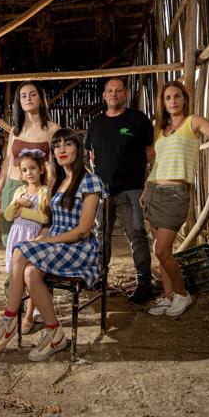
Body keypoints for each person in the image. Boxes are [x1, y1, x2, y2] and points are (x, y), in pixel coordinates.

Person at [0, 128, 106, 362]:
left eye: (68, 144)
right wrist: (37, 241)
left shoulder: (89, 180)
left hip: (79, 248)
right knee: (29, 272)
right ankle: (55, 333)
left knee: (21, 250)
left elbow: (82, 231)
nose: (62, 149)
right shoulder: (57, 181)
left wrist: (43, 242)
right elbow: (50, 223)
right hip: (55, 245)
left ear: (78, 149)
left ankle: (9, 320)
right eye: (57, 145)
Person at [142, 81, 209, 317]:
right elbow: (153, 162)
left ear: (184, 98)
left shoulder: (194, 122)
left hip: (175, 195)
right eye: (168, 97)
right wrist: (144, 190)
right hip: (153, 192)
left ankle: (182, 294)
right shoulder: (160, 129)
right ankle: (168, 296)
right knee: (159, 250)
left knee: (162, 250)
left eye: (177, 96)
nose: (173, 101)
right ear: (163, 102)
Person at [85, 77, 154, 304]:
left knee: (136, 233)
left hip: (132, 188)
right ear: (104, 95)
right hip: (103, 190)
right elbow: (91, 154)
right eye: (109, 91)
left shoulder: (137, 119)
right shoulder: (96, 124)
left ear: (125, 93)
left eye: (118, 90)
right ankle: (100, 278)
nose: (114, 94)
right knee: (100, 233)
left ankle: (144, 282)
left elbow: (150, 150)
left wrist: (136, 168)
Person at [0, 81, 60, 247]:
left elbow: (55, 165)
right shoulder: (15, 130)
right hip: (12, 187)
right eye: (23, 96)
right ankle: (12, 273)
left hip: (37, 190)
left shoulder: (53, 129)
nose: (28, 98)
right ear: (19, 102)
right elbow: (8, 160)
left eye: (32, 94)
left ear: (41, 100)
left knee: (34, 238)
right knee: (9, 238)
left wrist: (52, 191)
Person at [2, 149, 50, 335]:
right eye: (25, 170)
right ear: (20, 173)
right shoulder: (20, 191)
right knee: (16, 276)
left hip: (33, 236)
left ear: (41, 170)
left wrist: (20, 211)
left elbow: (44, 218)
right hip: (17, 236)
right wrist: (17, 203)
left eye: (33, 168)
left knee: (30, 277)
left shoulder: (44, 191)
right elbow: (7, 215)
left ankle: (29, 315)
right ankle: (15, 311)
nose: (29, 173)